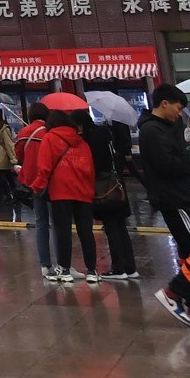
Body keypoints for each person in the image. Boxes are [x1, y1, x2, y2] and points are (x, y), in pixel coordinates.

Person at [141, 85, 190, 326]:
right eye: (178, 108)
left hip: (181, 196)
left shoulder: (168, 127)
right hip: (175, 200)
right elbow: (169, 165)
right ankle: (172, 292)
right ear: (164, 103)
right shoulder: (151, 131)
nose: (180, 113)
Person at [79, 110, 137, 281]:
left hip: (105, 188)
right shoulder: (107, 136)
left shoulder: (91, 141)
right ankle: (130, 267)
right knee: (121, 227)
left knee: (111, 228)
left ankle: (118, 268)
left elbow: (92, 166)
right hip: (117, 185)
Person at [42, 108, 98, 283]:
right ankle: (92, 271)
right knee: (86, 232)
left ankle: (64, 269)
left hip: (60, 192)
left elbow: (44, 167)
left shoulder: (49, 138)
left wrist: (36, 186)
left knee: (63, 231)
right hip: (83, 192)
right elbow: (90, 170)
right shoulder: (82, 143)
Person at [18, 110, 55, 278]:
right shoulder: (49, 131)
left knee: (41, 223)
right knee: (58, 223)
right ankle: (63, 263)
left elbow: (18, 155)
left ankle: (45, 265)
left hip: (32, 183)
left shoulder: (23, 133)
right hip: (51, 181)